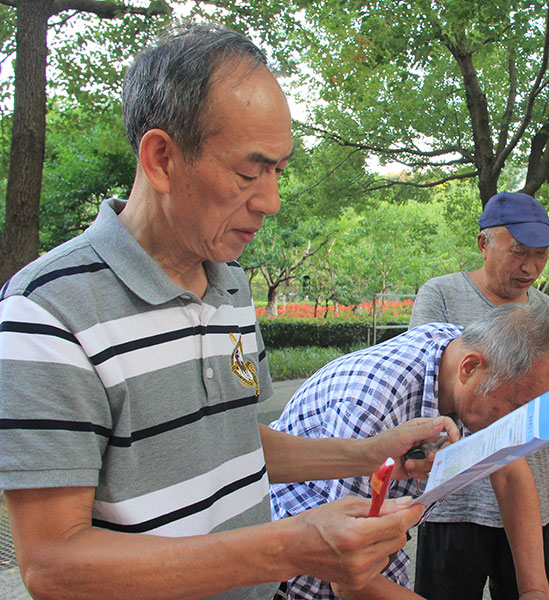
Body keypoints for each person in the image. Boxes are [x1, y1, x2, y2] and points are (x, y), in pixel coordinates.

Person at [0, 24, 453, 600]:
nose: (271, 201)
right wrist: (287, 548)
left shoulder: (232, 285)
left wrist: (367, 453)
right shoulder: (47, 312)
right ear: (162, 159)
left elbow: (231, 442)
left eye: (278, 170)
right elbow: (54, 566)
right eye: (248, 172)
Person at [269, 301, 549, 600]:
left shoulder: (466, 352)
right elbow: (345, 577)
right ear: (469, 367)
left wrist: (534, 590)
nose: (517, 421)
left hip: (374, 554)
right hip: (297, 574)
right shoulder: (372, 407)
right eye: (517, 406)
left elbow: (509, 472)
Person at [409, 191, 549, 600]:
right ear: (483, 243)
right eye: (519, 252)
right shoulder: (442, 295)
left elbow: (539, 415)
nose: (531, 267)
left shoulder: (547, 313)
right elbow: (424, 394)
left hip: (527, 505)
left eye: (541, 255)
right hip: (454, 505)